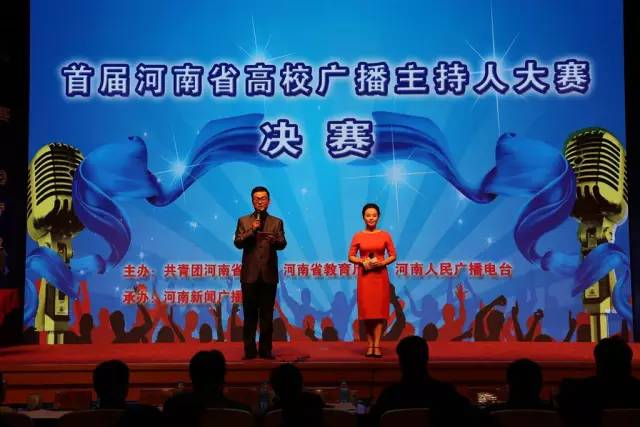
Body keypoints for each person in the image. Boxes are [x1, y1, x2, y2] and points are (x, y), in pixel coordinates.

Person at [367, 336, 483, 427]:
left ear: (401, 362)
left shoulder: (389, 395)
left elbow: (372, 421)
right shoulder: (445, 392)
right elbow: (470, 415)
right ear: (426, 358)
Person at [234, 186, 287, 360]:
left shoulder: (276, 222)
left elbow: (283, 243)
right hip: (249, 275)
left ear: (269, 201)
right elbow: (238, 242)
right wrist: (252, 230)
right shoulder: (243, 221)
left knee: (267, 315)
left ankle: (265, 350)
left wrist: (275, 240)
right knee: (249, 315)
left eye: (263, 198)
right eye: (257, 199)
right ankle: (249, 350)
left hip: (268, 275)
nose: (260, 201)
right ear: (252, 201)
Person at [348, 203, 396, 358]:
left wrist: (382, 263)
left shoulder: (385, 235)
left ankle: (377, 345)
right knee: (367, 313)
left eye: (374, 215)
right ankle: (370, 345)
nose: (371, 218)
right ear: (363, 217)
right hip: (365, 277)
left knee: (379, 313)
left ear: (378, 217)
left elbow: (393, 255)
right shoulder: (358, 235)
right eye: (368, 215)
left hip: (380, 276)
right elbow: (351, 256)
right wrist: (362, 261)